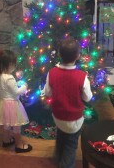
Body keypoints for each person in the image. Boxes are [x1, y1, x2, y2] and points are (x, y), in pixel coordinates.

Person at [44, 37, 93, 168]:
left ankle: (58, 158)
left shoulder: (52, 72)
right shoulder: (82, 76)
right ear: (78, 56)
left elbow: (47, 93)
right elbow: (88, 97)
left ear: (59, 54)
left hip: (58, 116)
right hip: (74, 121)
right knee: (71, 145)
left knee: (61, 136)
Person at [0, 49, 32, 153]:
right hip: (12, 104)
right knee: (16, 125)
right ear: (9, 64)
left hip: (3, 102)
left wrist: (17, 82)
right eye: (14, 64)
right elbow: (15, 92)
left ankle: (6, 140)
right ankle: (19, 145)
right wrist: (24, 86)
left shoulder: (0, 75)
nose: (14, 67)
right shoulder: (9, 77)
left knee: (6, 124)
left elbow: (8, 88)